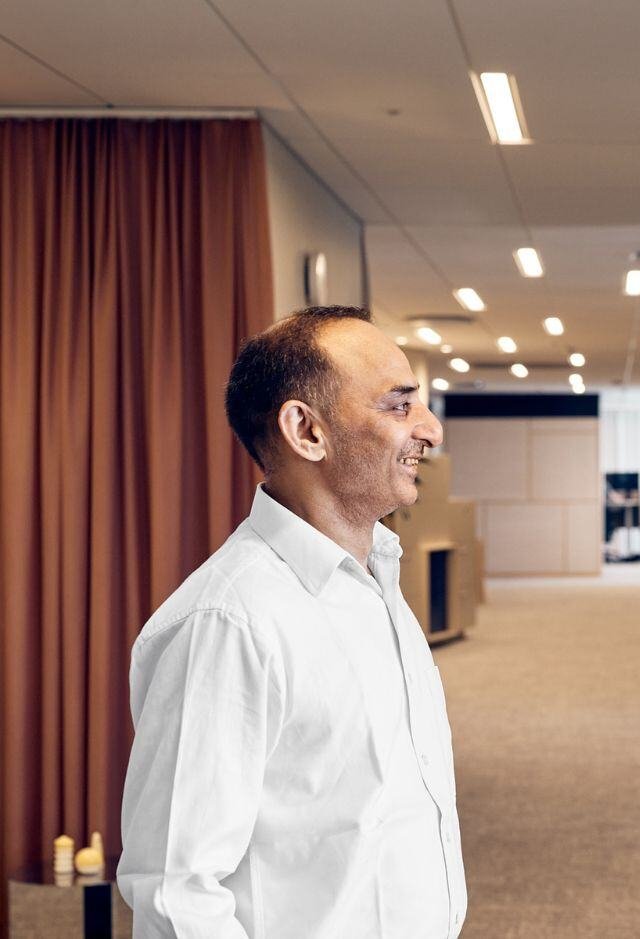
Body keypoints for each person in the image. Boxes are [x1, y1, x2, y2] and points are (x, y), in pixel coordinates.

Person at [117, 306, 467, 937]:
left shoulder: (377, 582)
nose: (432, 430)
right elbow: (177, 892)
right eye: (399, 406)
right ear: (307, 431)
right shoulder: (228, 622)